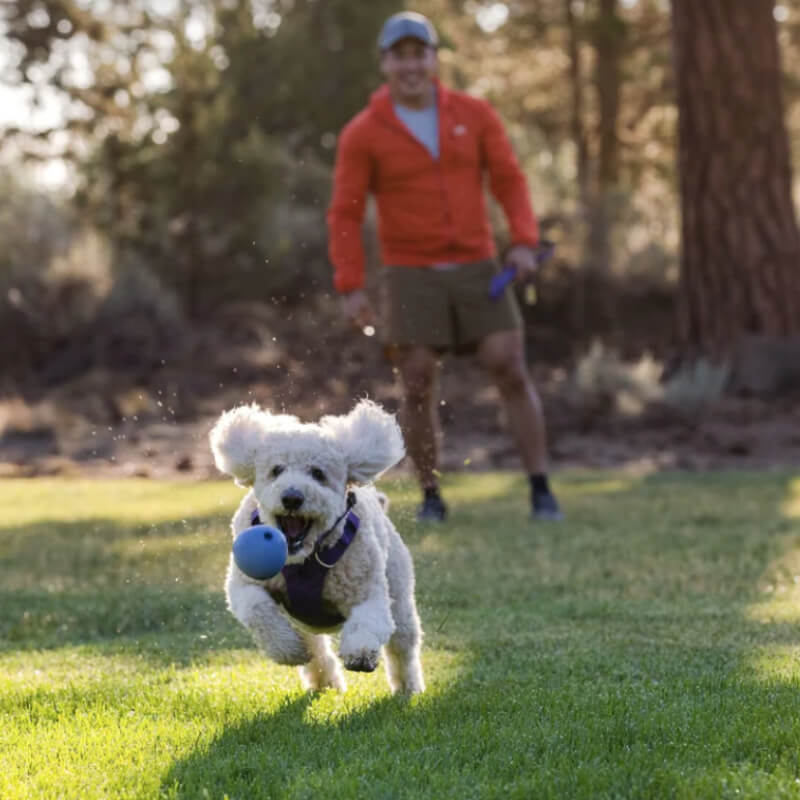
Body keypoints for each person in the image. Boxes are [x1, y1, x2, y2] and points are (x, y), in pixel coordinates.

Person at [326, 11, 562, 523]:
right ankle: (432, 496)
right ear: (386, 62)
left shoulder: (474, 114)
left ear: (434, 58)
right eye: (400, 55)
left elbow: (509, 180)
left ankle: (541, 490)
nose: (411, 64)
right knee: (414, 379)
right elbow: (344, 212)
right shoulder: (363, 132)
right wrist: (350, 283)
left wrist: (523, 241)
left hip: (477, 264)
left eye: (420, 53)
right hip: (409, 270)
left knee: (510, 365)